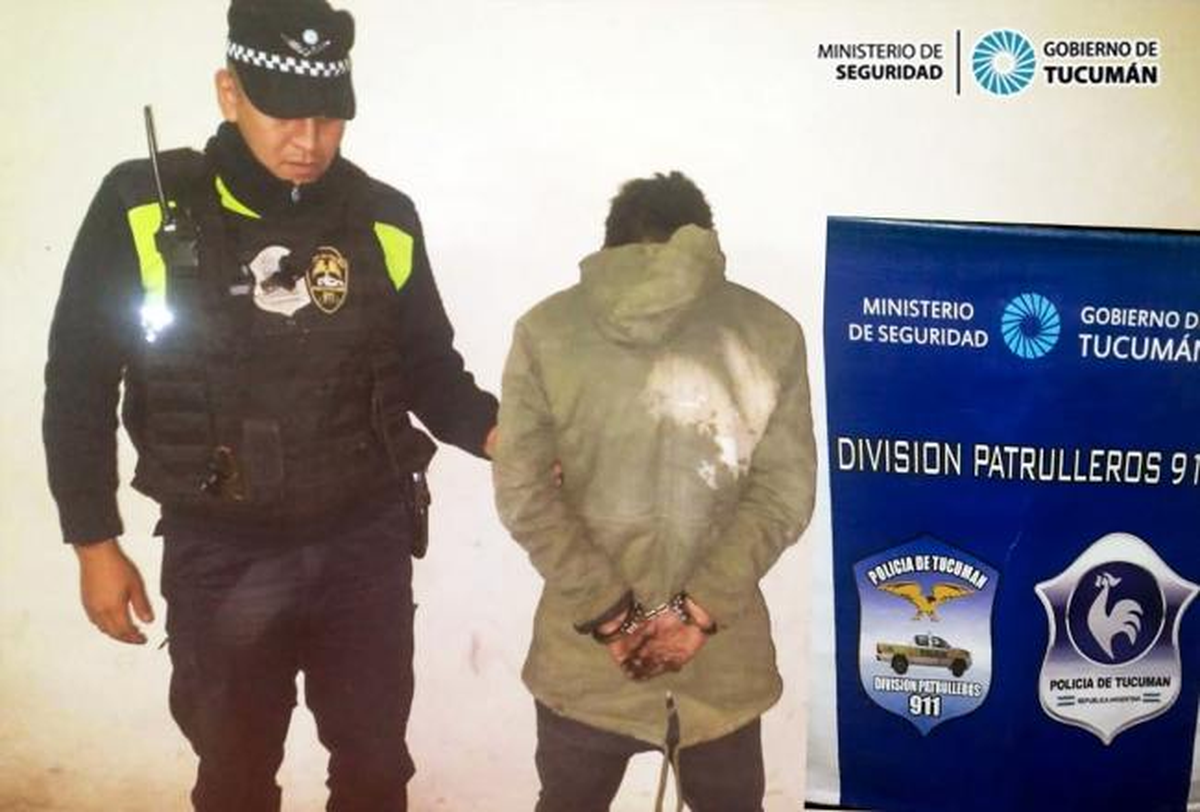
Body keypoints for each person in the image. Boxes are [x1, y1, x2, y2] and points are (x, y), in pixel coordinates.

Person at [42, 1, 497, 809]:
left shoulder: (384, 218)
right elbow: (79, 380)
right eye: (284, 113)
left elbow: (430, 372)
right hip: (222, 550)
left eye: (329, 117)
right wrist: (93, 542)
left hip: (362, 544)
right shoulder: (143, 205)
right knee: (235, 776)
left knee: (375, 769)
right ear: (230, 93)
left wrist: (509, 436)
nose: (308, 140)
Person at [493, 171, 817, 812]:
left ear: (611, 243)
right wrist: (697, 612)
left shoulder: (545, 330)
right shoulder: (772, 331)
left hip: (586, 660)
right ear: (705, 241)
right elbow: (785, 493)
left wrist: (613, 616)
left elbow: (523, 490)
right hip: (719, 659)